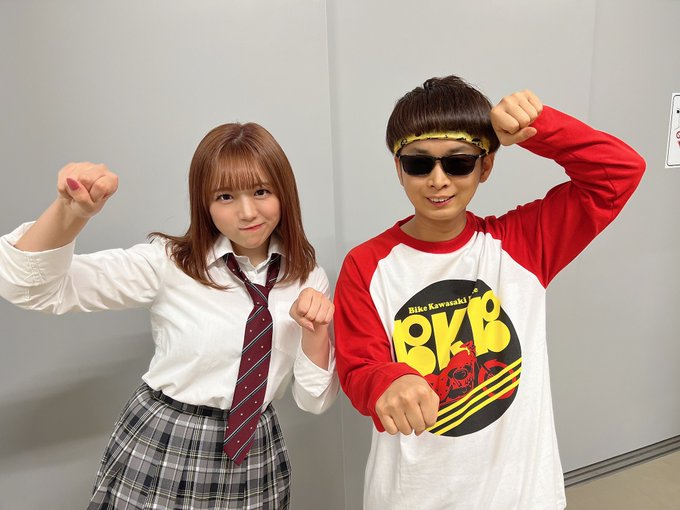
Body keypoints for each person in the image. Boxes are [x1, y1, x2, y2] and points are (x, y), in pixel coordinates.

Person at [333, 75, 645, 509]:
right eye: (419, 164)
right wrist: (390, 379)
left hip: (521, 495)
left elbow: (619, 172)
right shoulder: (366, 264)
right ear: (398, 168)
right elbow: (358, 367)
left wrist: (539, 127)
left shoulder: (524, 244)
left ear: (486, 166)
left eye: (458, 162)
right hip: (413, 495)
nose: (438, 180)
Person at [0, 122, 339, 509]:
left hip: (255, 452)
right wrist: (70, 213)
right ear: (204, 203)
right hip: (168, 442)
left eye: (261, 191)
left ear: (283, 192)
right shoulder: (170, 263)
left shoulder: (306, 277)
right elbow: (31, 288)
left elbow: (313, 401)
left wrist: (315, 331)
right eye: (225, 196)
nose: (247, 212)